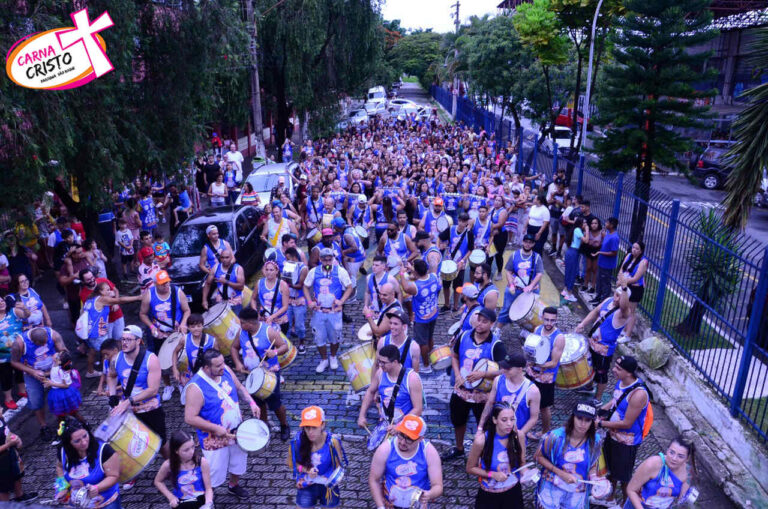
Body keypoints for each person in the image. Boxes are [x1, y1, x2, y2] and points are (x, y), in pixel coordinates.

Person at [184, 349, 259, 499]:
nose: (222, 367)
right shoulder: (195, 388)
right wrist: (215, 428)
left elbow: (239, 387)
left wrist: (251, 402)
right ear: (206, 368)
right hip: (214, 438)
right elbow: (190, 418)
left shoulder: (225, 370)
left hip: (236, 431)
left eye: (223, 363)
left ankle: (233, 485)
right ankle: (208, 495)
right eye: (218, 366)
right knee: (214, 471)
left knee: (238, 461)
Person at [444, 308, 506, 462]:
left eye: (485, 322)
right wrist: (457, 374)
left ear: (492, 324)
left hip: (482, 395)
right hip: (462, 391)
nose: (480, 324)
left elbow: (504, 369)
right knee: (458, 421)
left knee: (483, 425)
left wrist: (482, 374)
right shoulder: (464, 335)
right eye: (479, 320)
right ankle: (459, 449)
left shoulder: (496, 344)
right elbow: (455, 355)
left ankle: (483, 453)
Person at [107, 325, 169, 466]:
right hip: (128, 410)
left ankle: (172, 466)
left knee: (161, 441)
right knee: (130, 442)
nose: (124, 343)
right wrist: (112, 395)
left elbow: (153, 390)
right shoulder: (116, 359)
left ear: (138, 341)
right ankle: (132, 475)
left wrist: (128, 401)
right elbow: (111, 376)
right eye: (123, 339)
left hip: (150, 409)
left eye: (129, 339)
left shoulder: (150, 360)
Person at [595, 356, 651, 507]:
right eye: (615, 366)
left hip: (626, 442)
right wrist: (601, 410)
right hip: (613, 436)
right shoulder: (621, 382)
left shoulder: (638, 394)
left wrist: (600, 424)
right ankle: (610, 498)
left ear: (629, 373)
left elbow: (627, 423)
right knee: (612, 470)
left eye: (618, 369)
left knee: (624, 478)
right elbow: (615, 401)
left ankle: (627, 503)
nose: (613, 370)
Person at [231, 308, 291, 441]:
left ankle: (284, 425)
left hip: (269, 374)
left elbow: (284, 346)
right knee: (258, 404)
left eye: (242, 323)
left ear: (250, 323)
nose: (240, 325)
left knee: (275, 404)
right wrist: (238, 363)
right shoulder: (241, 332)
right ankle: (264, 426)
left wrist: (274, 353)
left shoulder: (268, 332)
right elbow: (234, 348)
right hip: (251, 374)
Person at [534, 401, 603, 509]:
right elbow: (538, 457)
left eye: (587, 420)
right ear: (573, 418)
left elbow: (593, 464)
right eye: (579, 418)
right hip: (552, 487)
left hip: (577, 491)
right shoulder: (555, 437)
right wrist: (561, 473)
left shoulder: (595, 441)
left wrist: (594, 477)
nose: (583, 424)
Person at [369, 414, 443, 508]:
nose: (403, 442)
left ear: (420, 439)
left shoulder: (429, 452)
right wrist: (381, 507)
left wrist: (429, 494)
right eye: (401, 435)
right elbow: (374, 480)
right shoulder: (385, 449)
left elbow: (438, 486)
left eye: (409, 439)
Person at [574, 286, 632, 401]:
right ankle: (589, 386)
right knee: (589, 366)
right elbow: (595, 312)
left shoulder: (623, 313)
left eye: (620, 298)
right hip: (592, 343)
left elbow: (625, 306)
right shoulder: (608, 300)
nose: (616, 299)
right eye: (616, 295)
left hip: (604, 350)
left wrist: (624, 288)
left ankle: (598, 398)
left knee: (601, 374)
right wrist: (582, 324)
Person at [10, 326, 67, 440]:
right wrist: (33, 372)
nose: (44, 346)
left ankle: (63, 423)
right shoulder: (19, 344)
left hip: (53, 371)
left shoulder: (53, 334)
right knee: (36, 402)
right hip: (32, 375)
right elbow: (13, 362)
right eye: (41, 345)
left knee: (60, 397)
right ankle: (43, 426)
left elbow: (64, 351)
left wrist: (60, 359)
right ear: (34, 342)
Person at [303, 248, 354, 373]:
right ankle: (324, 359)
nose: (327, 262)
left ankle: (333, 356)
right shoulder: (314, 272)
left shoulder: (340, 271)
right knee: (319, 337)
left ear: (333, 259)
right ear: (320, 260)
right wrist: (309, 302)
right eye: (324, 260)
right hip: (318, 312)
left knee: (335, 336)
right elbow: (305, 286)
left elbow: (349, 287)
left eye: (329, 259)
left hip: (334, 312)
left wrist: (341, 301)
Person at [466, 405, 527, 508]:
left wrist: (526, 472)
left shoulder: (518, 435)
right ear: (494, 420)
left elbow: (522, 462)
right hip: (489, 494)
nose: (509, 424)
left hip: (513, 491)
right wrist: (493, 474)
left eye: (512, 419)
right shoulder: (481, 441)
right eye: (504, 420)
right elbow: (470, 468)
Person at [288, 406, 348, 509]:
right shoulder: (297, 442)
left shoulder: (332, 443)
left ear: (323, 425)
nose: (310, 432)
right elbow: (291, 463)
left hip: (328, 486)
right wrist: (306, 470)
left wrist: (336, 478)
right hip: (306, 484)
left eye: (314, 427)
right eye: (307, 427)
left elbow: (338, 466)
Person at [358, 343, 424, 436]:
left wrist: (399, 426)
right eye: (379, 361)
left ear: (395, 362)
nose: (380, 365)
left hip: (406, 428)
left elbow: (418, 409)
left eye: (384, 362)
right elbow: (370, 392)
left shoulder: (412, 378)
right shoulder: (380, 373)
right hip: (387, 425)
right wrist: (362, 415)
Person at [55, 417, 121, 508]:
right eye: (77, 441)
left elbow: (113, 476)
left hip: (105, 503)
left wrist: (97, 488)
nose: (84, 442)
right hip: (78, 503)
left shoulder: (104, 450)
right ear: (68, 443)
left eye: (85, 436)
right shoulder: (63, 452)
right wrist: (62, 488)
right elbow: (59, 467)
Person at [81, 281, 142, 377]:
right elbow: (120, 300)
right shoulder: (102, 299)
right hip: (98, 333)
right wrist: (138, 297)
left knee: (92, 351)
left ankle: (90, 371)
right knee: (106, 353)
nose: (110, 291)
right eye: (107, 290)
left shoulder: (90, 299)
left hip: (89, 333)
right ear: (100, 291)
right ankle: (108, 375)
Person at [478, 352, 541, 443]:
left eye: (508, 368)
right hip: (494, 433)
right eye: (504, 367)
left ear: (520, 369)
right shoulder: (498, 380)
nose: (504, 370)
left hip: (515, 438)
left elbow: (534, 418)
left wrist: (519, 434)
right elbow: (489, 404)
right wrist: (480, 428)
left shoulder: (533, 391)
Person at [526, 307, 566, 441]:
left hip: (546, 377)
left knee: (544, 406)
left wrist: (536, 364)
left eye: (552, 321)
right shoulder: (537, 329)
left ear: (556, 320)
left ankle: (545, 431)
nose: (549, 323)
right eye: (547, 319)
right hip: (532, 372)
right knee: (527, 399)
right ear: (542, 317)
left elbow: (554, 363)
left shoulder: (559, 338)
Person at [624, 436, 696, 509]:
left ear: (687, 458)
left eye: (680, 456)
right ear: (667, 450)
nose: (674, 458)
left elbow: (681, 499)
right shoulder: (652, 464)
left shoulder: (688, 472)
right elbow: (631, 490)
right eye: (671, 452)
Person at [154, 430, 214, 509]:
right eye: (186, 450)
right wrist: (171, 497)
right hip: (181, 503)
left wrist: (208, 504)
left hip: (201, 500)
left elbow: (208, 488)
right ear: (176, 451)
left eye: (193, 447)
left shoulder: (202, 462)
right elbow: (158, 481)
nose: (191, 452)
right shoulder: (168, 464)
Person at [497, 234, 543, 330]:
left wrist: (531, 286)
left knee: (530, 313)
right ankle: (497, 330)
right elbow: (508, 272)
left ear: (533, 244)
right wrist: (511, 284)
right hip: (516, 288)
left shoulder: (537, 257)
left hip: (530, 290)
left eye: (530, 243)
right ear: (523, 242)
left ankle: (527, 331)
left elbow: (539, 274)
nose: (527, 244)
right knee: (506, 309)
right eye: (526, 242)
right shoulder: (514, 255)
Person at [171, 314, 217, 396]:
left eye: (199, 326)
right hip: (192, 374)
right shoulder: (184, 339)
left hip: (208, 375)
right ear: (188, 327)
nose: (196, 329)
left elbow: (218, 359)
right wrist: (174, 368)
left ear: (203, 326)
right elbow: (175, 352)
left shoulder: (212, 341)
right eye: (192, 327)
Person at [409, 258, 441, 373]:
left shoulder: (415, 286)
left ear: (417, 272)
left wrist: (403, 273)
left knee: (422, 343)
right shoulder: (433, 277)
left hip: (421, 318)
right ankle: (432, 357)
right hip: (433, 314)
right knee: (430, 337)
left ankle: (426, 365)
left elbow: (405, 286)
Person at [0, 406, 38, 502]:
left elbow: (7, 431)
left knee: (17, 474)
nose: (1, 408)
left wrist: (16, 438)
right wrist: (9, 444)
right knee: (3, 487)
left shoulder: (1, 418)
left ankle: (19, 496)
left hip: (10, 454)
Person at [438, 212, 474, 313]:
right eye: (460, 221)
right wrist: (438, 248)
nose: (461, 223)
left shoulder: (469, 234)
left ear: (467, 222)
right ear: (458, 220)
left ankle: (455, 306)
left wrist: (463, 260)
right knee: (446, 285)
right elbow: (440, 237)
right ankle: (446, 304)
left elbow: (471, 249)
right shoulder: (451, 229)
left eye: (464, 221)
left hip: (460, 265)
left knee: (457, 286)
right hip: (449, 262)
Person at [0, 298, 29, 410]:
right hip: (2, 356)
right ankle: (8, 398)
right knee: (5, 376)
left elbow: (26, 315)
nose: (1, 303)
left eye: (2, 300)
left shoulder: (13, 311)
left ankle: (22, 390)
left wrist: (25, 308)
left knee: (20, 371)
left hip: (18, 351)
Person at [46, 351, 86, 429]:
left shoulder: (60, 371)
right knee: (60, 416)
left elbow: (66, 385)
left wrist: (51, 383)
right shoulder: (54, 365)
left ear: (59, 361)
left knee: (73, 413)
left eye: (58, 355)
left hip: (62, 394)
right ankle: (63, 431)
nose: (55, 353)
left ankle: (85, 425)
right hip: (57, 393)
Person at [617, 241, 647, 344]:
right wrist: (620, 278)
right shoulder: (628, 256)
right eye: (633, 247)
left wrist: (622, 281)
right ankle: (623, 329)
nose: (634, 250)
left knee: (631, 311)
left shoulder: (643, 262)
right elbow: (621, 269)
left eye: (637, 249)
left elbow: (635, 278)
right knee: (623, 307)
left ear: (641, 251)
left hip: (635, 288)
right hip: (625, 286)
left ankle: (628, 335)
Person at [202, 248, 245, 314]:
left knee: (237, 323)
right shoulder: (216, 268)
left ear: (231, 258)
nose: (224, 260)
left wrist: (226, 282)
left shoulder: (238, 269)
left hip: (235, 302)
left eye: (227, 257)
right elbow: (207, 284)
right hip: (221, 301)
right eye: (222, 257)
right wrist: (204, 300)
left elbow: (241, 287)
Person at [252, 260, 290, 335]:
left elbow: (285, 306)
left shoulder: (283, 285)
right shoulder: (259, 283)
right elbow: (253, 299)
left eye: (271, 270)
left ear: (276, 271)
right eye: (267, 270)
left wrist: (272, 317)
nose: (268, 272)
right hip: (264, 318)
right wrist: (256, 312)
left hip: (279, 320)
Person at [283, 247, 309, 354]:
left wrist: (288, 283)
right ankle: (286, 345)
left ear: (293, 256)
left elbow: (300, 285)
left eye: (288, 257)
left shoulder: (303, 268)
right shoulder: (287, 266)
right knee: (286, 323)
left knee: (299, 325)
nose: (287, 259)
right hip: (288, 300)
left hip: (299, 300)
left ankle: (301, 344)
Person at [592, 217, 619, 305]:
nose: (605, 224)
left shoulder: (614, 237)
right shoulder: (607, 234)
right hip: (601, 262)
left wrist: (600, 252)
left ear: (611, 225)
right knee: (599, 281)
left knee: (605, 283)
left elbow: (614, 252)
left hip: (607, 265)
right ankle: (598, 297)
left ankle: (603, 301)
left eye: (607, 223)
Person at [332, 217, 366, 287]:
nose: (334, 228)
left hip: (356, 260)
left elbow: (355, 248)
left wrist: (343, 252)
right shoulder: (349, 227)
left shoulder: (347, 236)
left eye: (334, 226)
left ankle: (353, 295)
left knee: (351, 279)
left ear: (338, 227)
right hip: (361, 256)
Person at [563, 218, 587, 303]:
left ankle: (565, 289)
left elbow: (581, 242)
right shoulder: (578, 229)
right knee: (572, 272)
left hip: (572, 251)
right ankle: (569, 293)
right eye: (584, 223)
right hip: (573, 252)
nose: (585, 225)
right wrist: (587, 230)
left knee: (568, 271)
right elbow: (586, 240)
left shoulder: (576, 230)